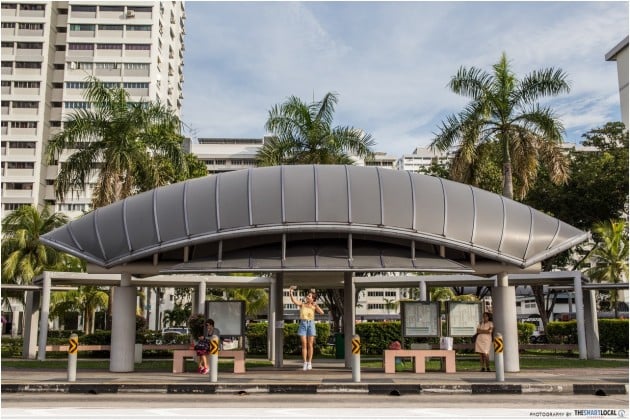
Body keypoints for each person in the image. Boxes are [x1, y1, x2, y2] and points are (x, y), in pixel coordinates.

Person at [289, 286, 324, 371]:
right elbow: (294, 301)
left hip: (311, 324)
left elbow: (322, 312)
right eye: (308, 295)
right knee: (304, 344)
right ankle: (305, 363)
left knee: (310, 344)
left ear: (312, 299)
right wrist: (291, 293)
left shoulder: (314, 306)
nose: (307, 296)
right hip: (303, 324)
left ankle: (309, 362)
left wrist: (316, 306)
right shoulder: (302, 304)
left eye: (309, 296)